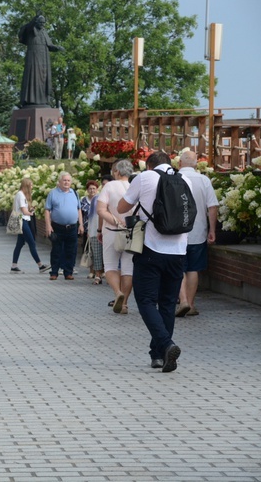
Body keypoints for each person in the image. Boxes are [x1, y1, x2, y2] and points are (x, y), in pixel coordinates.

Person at [117, 151, 190, 372]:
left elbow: (122, 207)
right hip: (178, 250)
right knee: (168, 303)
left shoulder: (145, 177)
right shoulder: (182, 178)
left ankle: (166, 345)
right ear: (169, 163)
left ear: (149, 165)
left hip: (151, 249)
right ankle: (158, 355)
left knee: (146, 301)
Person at [176, 150, 218, 317]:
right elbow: (212, 207)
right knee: (193, 269)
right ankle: (191, 305)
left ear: (180, 163)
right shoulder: (204, 180)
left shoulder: (174, 179)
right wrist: (212, 230)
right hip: (197, 232)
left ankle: (183, 300)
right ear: (196, 164)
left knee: (179, 268)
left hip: (176, 233)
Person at [97, 160, 134, 313]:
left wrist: (115, 222)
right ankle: (124, 303)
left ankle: (117, 293)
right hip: (131, 233)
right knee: (128, 269)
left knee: (110, 266)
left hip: (112, 232)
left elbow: (101, 209)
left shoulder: (109, 186)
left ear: (117, 172)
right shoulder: (133, 187)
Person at [18, 13, 64, 107]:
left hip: (44, 59)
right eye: (41, 22)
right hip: (34, 58)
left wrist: (58, 48)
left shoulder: (44, 31)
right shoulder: (31, 30)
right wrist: (34, 18)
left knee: (43, 80)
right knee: (33, 77)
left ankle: (43, 100)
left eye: (44, 23)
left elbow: (50, 45)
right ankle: (31, 100)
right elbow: (26, 29)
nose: (43, 24)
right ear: (36, 22)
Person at [44, 172, 84, 280]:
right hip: (58, 227)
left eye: (68, 180)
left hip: (72, 227)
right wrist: (48, 226)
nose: (66, 182)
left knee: (71, 250)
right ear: (60, 182)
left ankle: (68, 272)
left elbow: (79, 209)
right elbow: (47, 210)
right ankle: (54, 273)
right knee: (56, 250)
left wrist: (81, 224)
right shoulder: (53, 193)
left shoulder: (74, 193)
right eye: (64, 180)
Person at [10, 177, 50, 274]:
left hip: (23, 220)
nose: (32, 187)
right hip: (22, 221)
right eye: (31, 185)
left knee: (19, 244)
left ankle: (14, 266)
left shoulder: (21, 195)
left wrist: (29, 210)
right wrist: (30, 212)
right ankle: (40, 265)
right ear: (27, 186)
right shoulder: (20, 195)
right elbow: (24, 211)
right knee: (32, 243)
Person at [81, 180, 104, 284]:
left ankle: (105, 273)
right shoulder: (95, 200)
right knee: (96, 254)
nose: (92, 190)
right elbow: (90, 217)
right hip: (94, 231)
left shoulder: (105, 198)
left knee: (106, 255)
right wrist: (89, 230)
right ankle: (97, 275)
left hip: (107, 231)